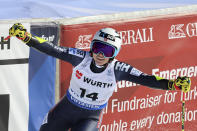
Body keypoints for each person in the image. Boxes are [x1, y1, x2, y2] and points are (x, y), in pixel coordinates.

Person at [8, 23, 191, 131]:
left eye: (107, 50)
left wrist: (173, 84)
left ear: (114, 53)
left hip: (90, 117)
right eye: (97, 48)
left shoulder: (118, 69)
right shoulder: (81, 57)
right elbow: (52, 49)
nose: (100, 54)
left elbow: (146, 79)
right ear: (92, 47)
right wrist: (26, 37)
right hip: (66, 109)